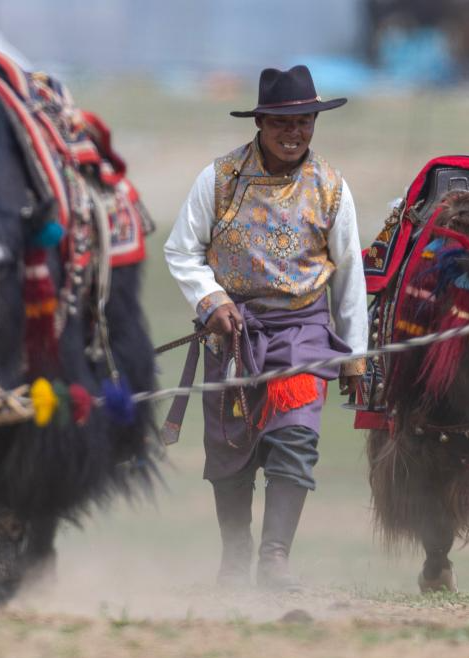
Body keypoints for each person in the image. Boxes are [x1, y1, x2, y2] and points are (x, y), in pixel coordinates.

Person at [164, 66, 368, 590]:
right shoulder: (219, 179)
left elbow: (349, 274)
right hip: (232, 334)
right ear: (259, 121)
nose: (294, 133)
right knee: (230, 451)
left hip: (302, 332)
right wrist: (211, 300)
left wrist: (355, 358)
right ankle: (235, 557)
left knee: (295, 438)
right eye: (282, 122)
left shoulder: (331, 187)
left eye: (304, 122)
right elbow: (181, 250)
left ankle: (275, 559)